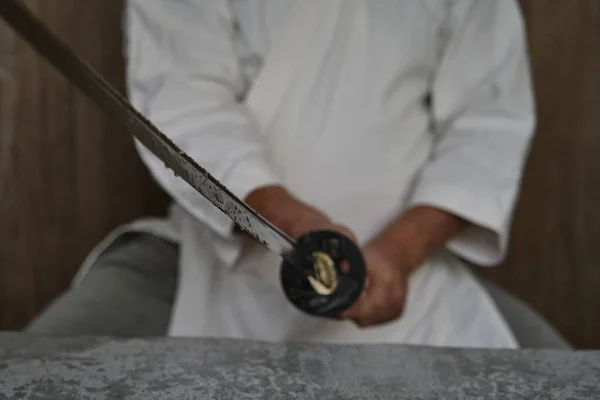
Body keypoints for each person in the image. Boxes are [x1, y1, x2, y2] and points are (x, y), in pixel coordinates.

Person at [27, 0, 570, 348]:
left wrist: (397, 254)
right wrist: (287, 221)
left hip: (414, 271)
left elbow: (485, 122)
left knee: (562, 376)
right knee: (36, 367)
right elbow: (188, 102)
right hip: (225, 260)